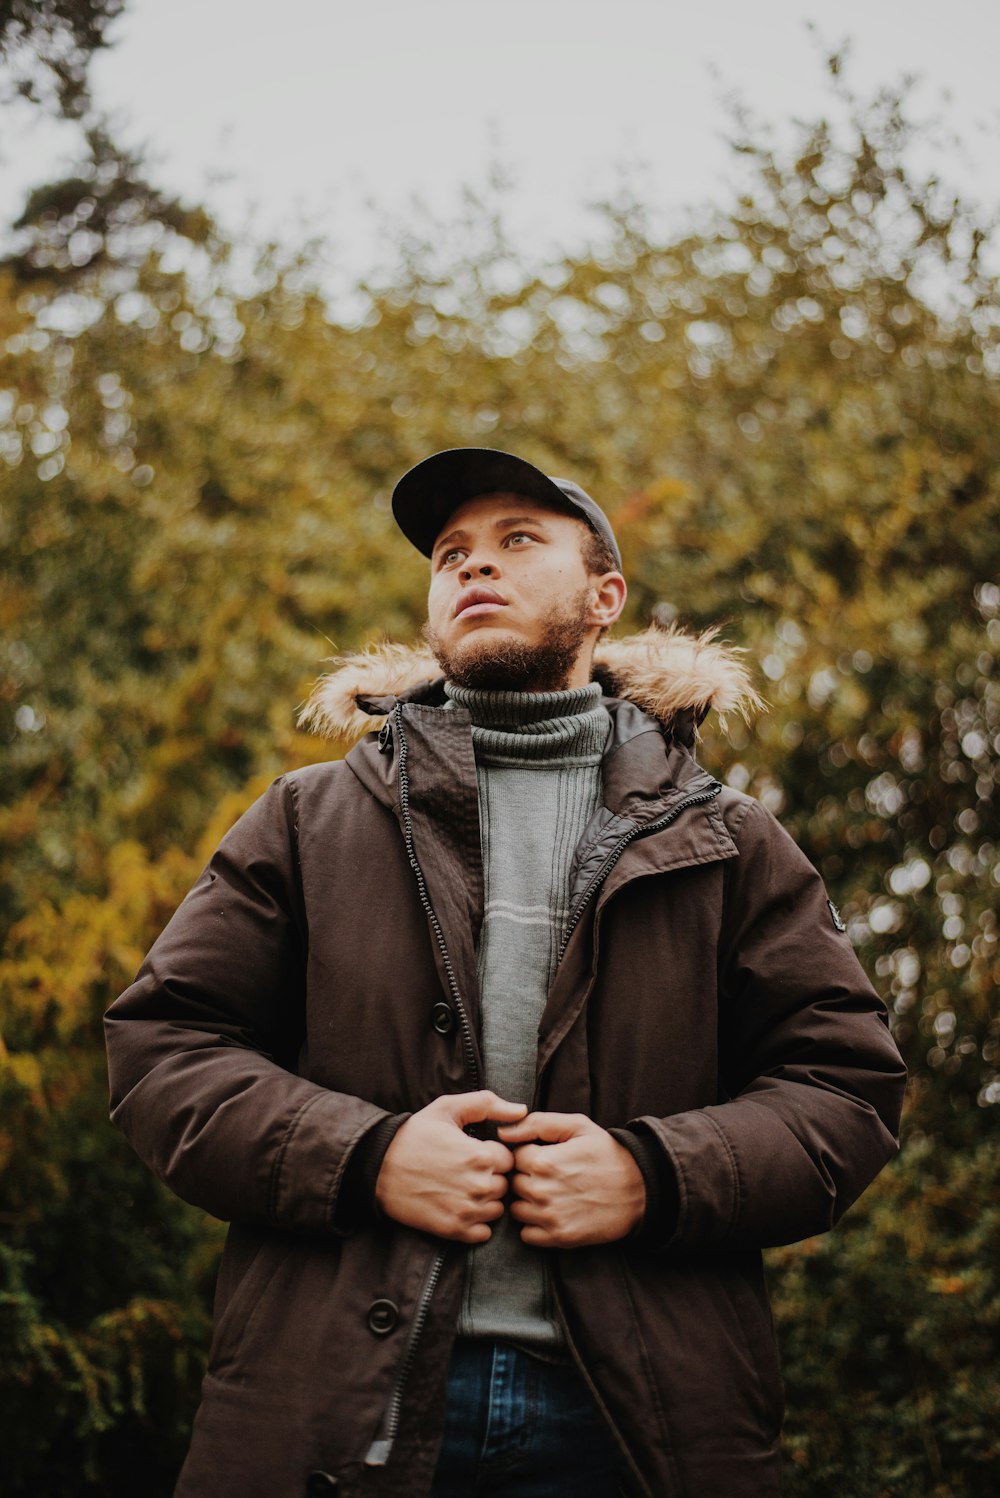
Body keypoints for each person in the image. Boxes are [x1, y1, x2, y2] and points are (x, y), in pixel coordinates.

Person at [105, 447, 906, 1498]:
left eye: (517, 542)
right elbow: (164, 1049)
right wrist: (367, 1156)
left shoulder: (729, 840)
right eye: (450, 554)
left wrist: (652, 1173)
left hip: (636, 1427)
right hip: (338, 1411)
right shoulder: (307, 820)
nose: (472, 568)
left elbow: (845, 1090)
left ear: (604, 597)